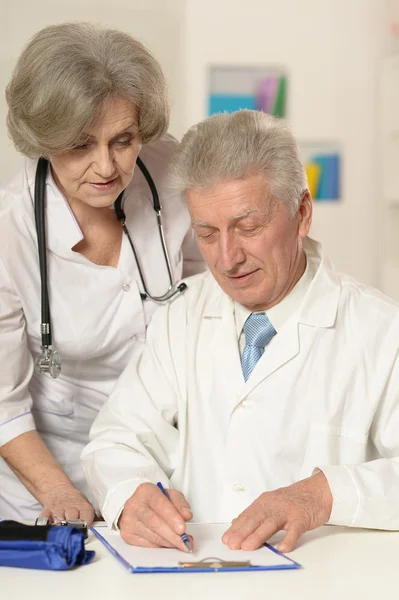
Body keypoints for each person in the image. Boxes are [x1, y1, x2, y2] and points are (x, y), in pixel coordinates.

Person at [82, 109, 399, 552]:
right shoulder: (181, 314)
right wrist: (129, 493)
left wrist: (325, 494)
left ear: (302, 214)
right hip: (194, 575)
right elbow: (118, 437)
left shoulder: (380, 331)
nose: (227, 259)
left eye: (247, 228)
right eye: (207, 234)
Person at [0, 22, 204, 524]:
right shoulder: (10, 231)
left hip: (166, 453)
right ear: (42, 140)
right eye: (79, 145)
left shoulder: (172, 171)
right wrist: (61, 494)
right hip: (54, 470)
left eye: (123, 139)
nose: (106, 166)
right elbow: (3, 404)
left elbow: (209, 297)